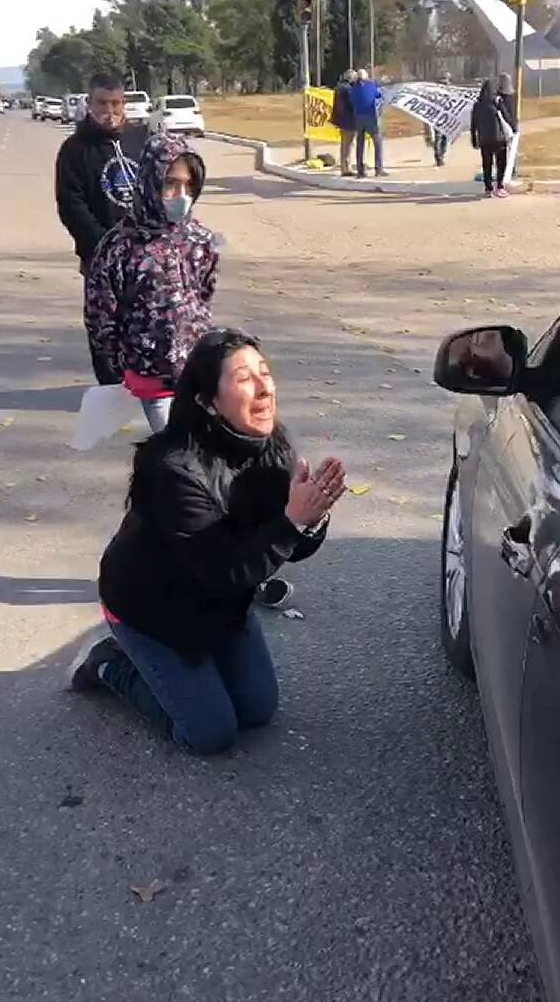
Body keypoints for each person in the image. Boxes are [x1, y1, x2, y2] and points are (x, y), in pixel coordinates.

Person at [69, 329, 347, 755]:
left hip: (221, 604)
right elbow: (223, 572)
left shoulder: (273, 447)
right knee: (209, 734)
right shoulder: (174, 470)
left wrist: (312, 516)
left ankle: (186, 673)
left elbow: (283, 548)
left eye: (265, 373)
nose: (264, 387)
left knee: (257, 710)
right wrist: (293, 521)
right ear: (207, 401)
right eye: (243, 379)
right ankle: (112, 664)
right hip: (152, 610)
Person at [84, 133, 219, 433]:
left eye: (188, 185)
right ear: (149, 181)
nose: (180, 194)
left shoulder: (200, 241)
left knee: (205, 457)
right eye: (170, 183)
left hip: (198, 375)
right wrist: (125, 363)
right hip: (152, 380)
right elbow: (100, 315)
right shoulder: (119, 246)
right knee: (178, 454)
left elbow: (204, 296)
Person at [55, 72, 148, 382]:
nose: (110, 110)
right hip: (100, 258)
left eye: (116, 103)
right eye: (102, 103)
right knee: (105, 327)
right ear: (89, 103)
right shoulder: (74, 149)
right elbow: (71, 205)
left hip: (146, 255)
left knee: (149, 322)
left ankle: (148, 383)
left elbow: (162, 188)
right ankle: (111, 388)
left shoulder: (142, 140)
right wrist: (104, 247)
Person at [470, 79, 514, 199]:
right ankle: (499, 187)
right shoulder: (497, 102)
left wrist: (474, 139)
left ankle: (488, 189)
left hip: (484, 139)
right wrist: (513, 129)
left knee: (487, 164)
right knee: (501, 164)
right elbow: (506, 117)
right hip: (499, 139)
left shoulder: (477, 105)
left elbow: (473, 124)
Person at [349, 69, 387, 179]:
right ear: (366, 77)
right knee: (377, 141)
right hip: (370, 117)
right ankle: (378, 169)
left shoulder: (354, 89)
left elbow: (351, 101)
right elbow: (378, 95)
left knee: (360, 144)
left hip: (358, 118)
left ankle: (360, 171)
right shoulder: (371, 85)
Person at [332, 69, 357, 177]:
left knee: (344, 144)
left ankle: (344, 166)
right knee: (348, 144)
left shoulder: (339, 87)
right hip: (348, 120)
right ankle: (346, 168)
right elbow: (352, 103)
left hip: (341, 119)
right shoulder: (348, 89)